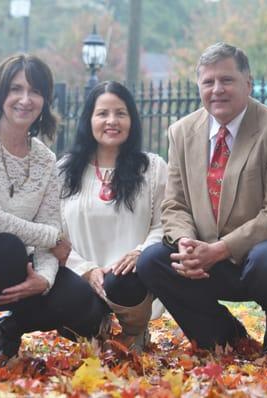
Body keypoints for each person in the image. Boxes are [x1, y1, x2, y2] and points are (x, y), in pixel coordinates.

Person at [136, 42, 267, 359]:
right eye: (208, 82)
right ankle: (224, 337)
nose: (217, 89)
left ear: (248, 84)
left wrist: (220, 250)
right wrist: (186, 242)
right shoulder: (181, 132)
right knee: (153, 260)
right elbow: (176, 204)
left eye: (227, 80)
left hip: (266, 253)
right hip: (207, 253)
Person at [0, 54, 107, 358]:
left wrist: (44, 279)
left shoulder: (45, 158)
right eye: (16, 89)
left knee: (87, 305)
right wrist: (52, 238)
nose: (25, 99)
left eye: (35, 91)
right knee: (8, 247)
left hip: (20, 267)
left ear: (45, 101)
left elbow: (51, 222)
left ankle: (7, 329)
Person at [59, 81, 167, 350]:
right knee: (74, 307)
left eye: (121, 113)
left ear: (132, 120)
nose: (112, 121)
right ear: (89, 119)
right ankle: (95, 328)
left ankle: (135, 331)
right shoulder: (64, 170)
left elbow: (164, 222)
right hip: (82, 277)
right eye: (103, 113)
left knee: (123, 279)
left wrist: (141, 251)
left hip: (131, 279)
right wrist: (86, 270)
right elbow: (53, 231)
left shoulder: (152, 168)